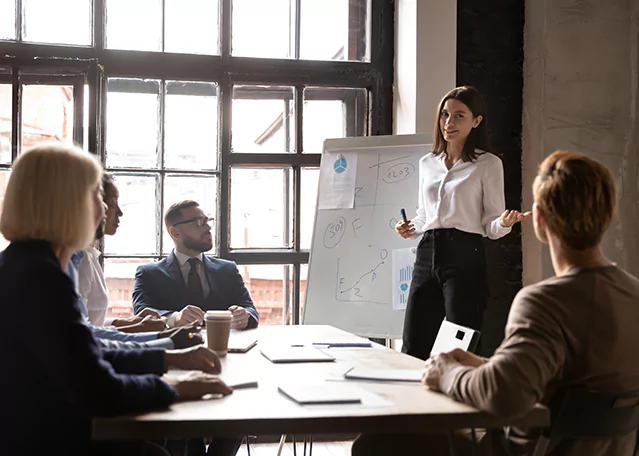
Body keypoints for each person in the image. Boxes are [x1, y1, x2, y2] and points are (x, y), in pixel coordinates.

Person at [354, 150, 639, 455]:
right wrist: (486, 366)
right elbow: (564, 382)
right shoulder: (632, 294)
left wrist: (446, 372)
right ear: (611, 214)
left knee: (375, 443)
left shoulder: (543, 303)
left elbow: (504, 395)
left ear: (539, 219)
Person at [0, 143, 232, 455]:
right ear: (68, 204)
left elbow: (86, 351)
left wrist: (169, 359)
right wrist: (176, 388)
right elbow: (99, 389)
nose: (106, 208)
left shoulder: (27, 264)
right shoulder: (41, 278)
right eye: (97, 196)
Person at [396, 86, 529, 360]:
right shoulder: (427, 162)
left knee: (461, 345)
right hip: (427, 252)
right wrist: (409, 228)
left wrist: (504, 223)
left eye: (459, 116)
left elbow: (491, 225)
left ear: (476, 121)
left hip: (466, 254)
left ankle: (461, 400)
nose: (448, 123)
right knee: (413, 345)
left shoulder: (488, 164)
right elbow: (424, 215)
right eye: (445, 115)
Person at [133, 200, 259, 330]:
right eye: (199, 223)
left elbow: (250, 309)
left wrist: (245, 316)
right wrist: (174, 318)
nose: (208, 228)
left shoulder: (228, 269)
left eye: (207, 221)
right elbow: (141, 312)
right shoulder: (149, 273)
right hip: (173, 348)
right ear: (175, 232)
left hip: (224, 347)